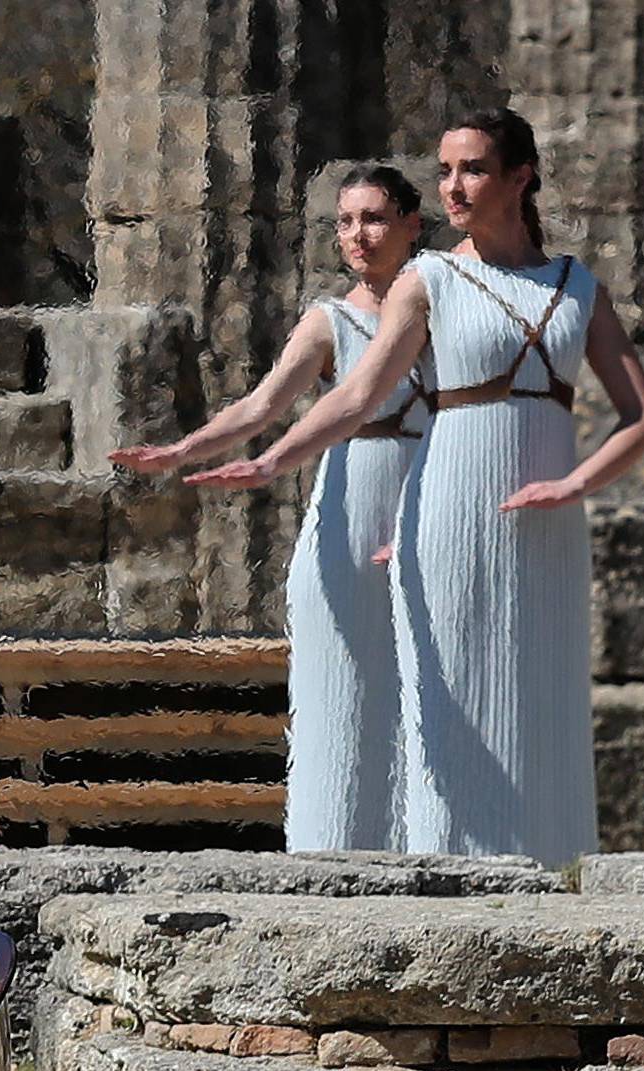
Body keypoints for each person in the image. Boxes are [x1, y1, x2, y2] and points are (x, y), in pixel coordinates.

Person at [186, 109, 644, 865]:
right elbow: (356, 398)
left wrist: (574, 483)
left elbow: (642, 419)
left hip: (547, 532)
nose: (453, 186)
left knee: (545, 711)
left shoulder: (577, 287)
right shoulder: (429, 278)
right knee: (446, 725)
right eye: (444, 171)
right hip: (448, 517)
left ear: (520, 177)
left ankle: (553, 895)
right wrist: (274, 459)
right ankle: (446, 901)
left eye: (471, 169)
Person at [112, 165, 433, 850]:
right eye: (345, 221)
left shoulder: (442, 308)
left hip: (429, 510)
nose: (357, 235)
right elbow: (262, 406)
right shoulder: (332, 321)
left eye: (373, 218)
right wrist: (183, 452)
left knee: (427, 696)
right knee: (345, 698)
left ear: (412, 224)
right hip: (349, 520)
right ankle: (332, 852)